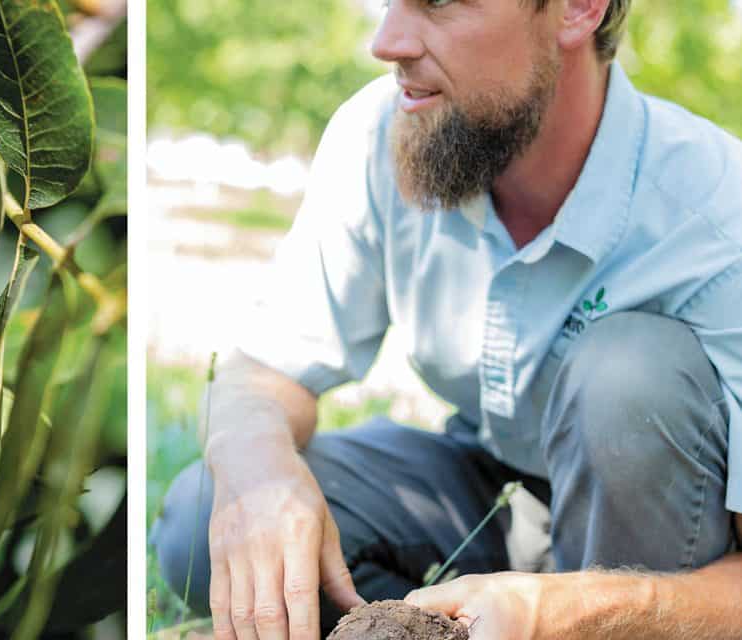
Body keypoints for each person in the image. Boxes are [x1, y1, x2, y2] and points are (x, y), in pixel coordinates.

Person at [150, 0, 742, 638]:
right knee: (208, 513)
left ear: (578, 9)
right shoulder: (384, 133)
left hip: (655, 560)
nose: (387, 41)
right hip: (487, 491)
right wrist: (259, 472)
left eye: (438, 3)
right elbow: (261, 376)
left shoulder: (718, 220)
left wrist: (566, 614)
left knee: (629, 375)